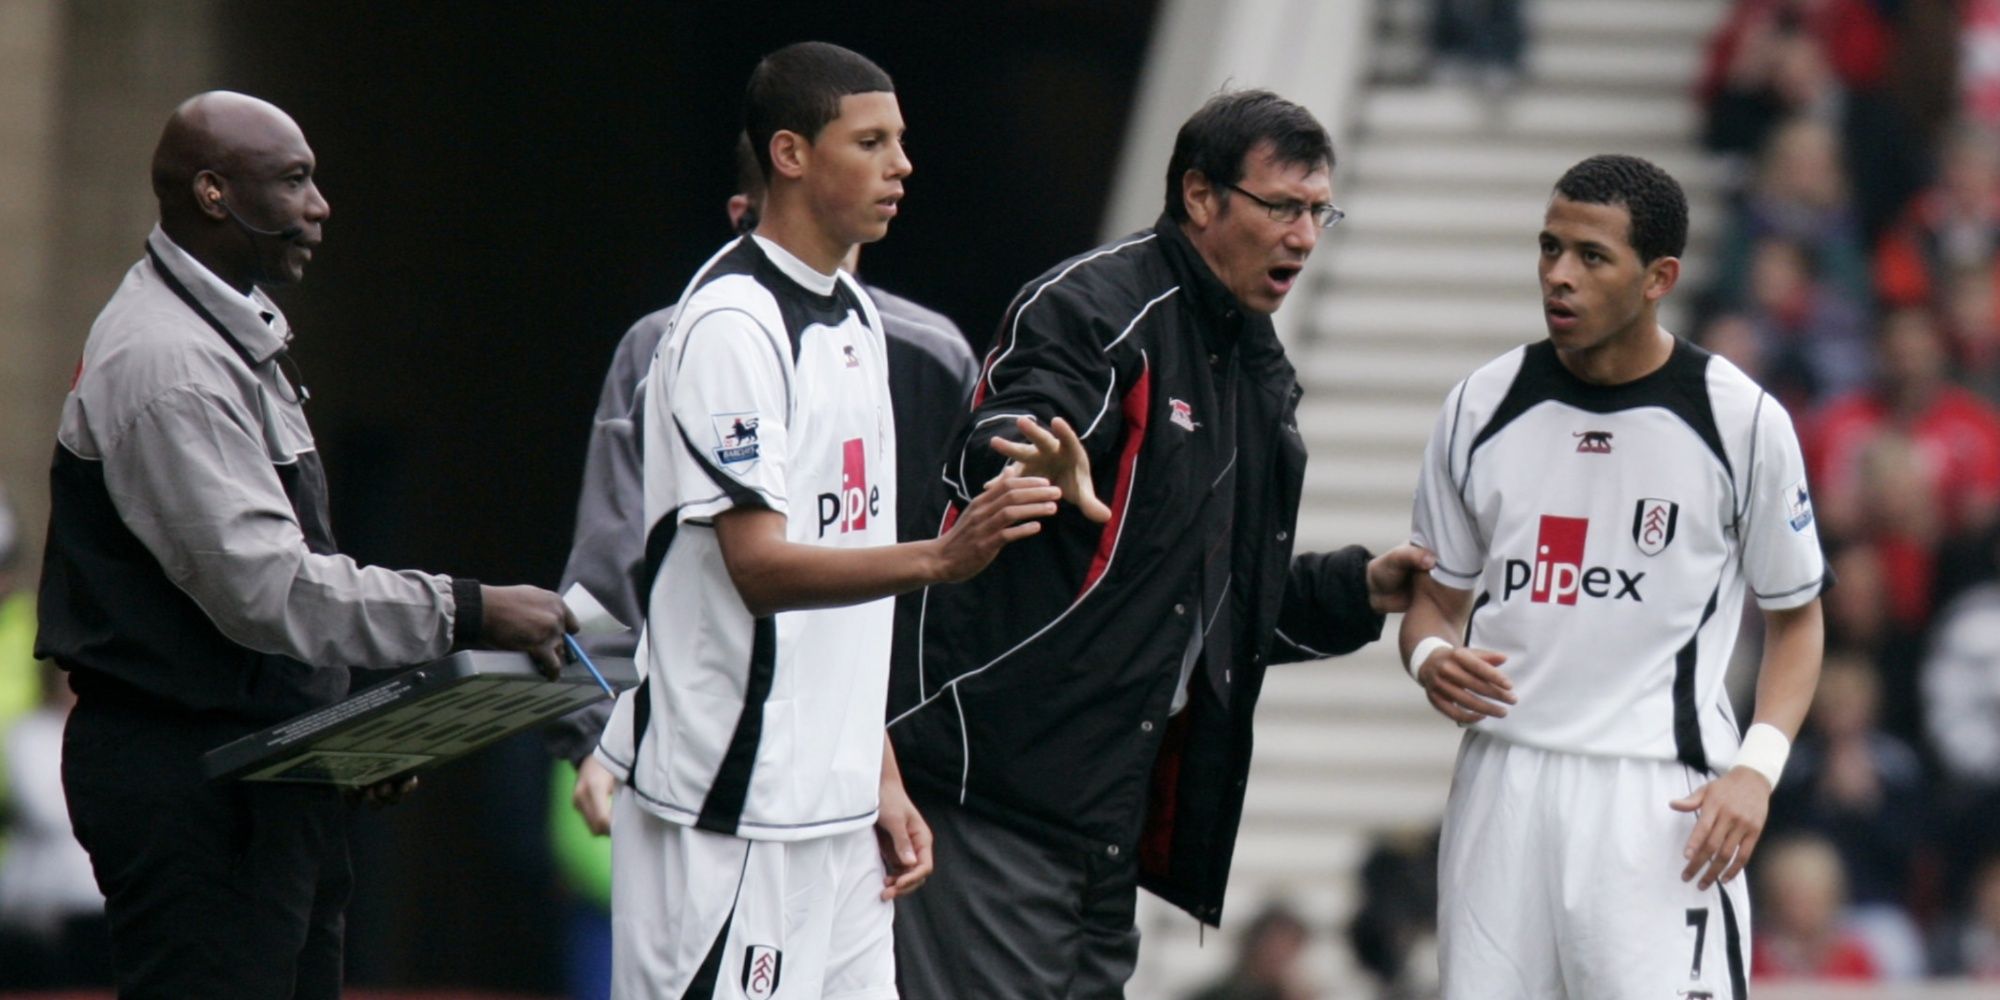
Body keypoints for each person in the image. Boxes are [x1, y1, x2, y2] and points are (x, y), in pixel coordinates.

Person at [885, 89, 1432, 998]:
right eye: (1282, 207)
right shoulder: (1099, 308)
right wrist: (1023, 462)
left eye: (1318, 211)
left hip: (1107, 828)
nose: (1304, 235)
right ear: (1200, 196)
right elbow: (1014, 422)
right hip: (992, 801)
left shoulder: (1257, 370)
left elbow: (1207, 600)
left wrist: (1357, 589)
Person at [33, 91, 574, 999]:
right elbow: (268, 589)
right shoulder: (169, 364)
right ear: (212, 194)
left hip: (259, 773)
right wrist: (471, 610)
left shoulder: (225, 335)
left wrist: (346, 736)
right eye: (293, 181)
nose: (320, 206)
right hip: (197, 791)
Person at [587, 43, 1056, 999]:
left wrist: (874, 772)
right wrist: (942, 557)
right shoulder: (731, 325)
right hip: (733, 810)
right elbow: (758, 568)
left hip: (835, 814)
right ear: (792, 155)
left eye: (903, 142)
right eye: (872, 141)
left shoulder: (855, 318)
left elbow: (844, 574)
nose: (902, 166)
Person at [1402, 154, 1828, 998]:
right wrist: (1426, 657)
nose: (1558, 276)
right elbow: (1431, 601)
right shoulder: (1479, 406)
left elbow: (1798, 618)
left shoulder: (1739, 420)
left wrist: (1756, 770)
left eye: (1591, 257)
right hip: (1502, 787)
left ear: (1658, 278)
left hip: (1659, 800)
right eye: (1549, 248)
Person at [548, 132, 979, 824]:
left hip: (880, 776)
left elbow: (955, 599)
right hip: (702, 759)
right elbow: (613, 560)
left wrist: (903, 761)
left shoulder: (929, 356)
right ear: (742, 215)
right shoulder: (666, 345)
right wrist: (597, 732)